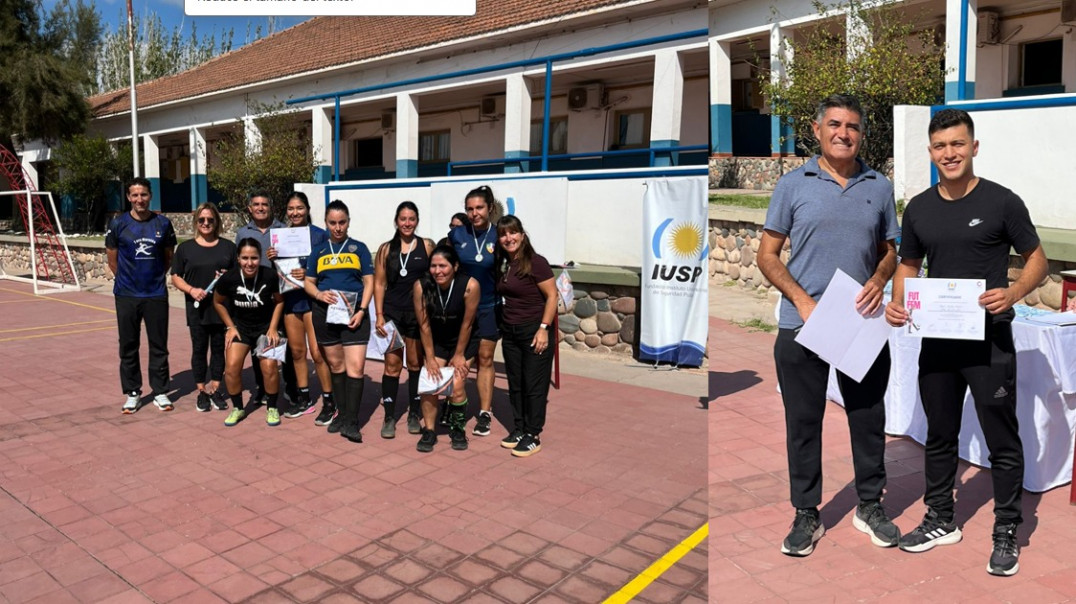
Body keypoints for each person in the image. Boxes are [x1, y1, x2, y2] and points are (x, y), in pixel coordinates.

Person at [884, 108, 1046, 576]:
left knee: (1002, 439)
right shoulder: (918, 207)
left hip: (989, 341)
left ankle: (1007, 530)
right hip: (937, 339)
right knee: (939, 435)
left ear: (974, 147)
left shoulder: (1002, 202)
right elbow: (909, 266)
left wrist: (1014, 292)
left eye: (958, 144)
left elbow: (1036, 259)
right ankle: (940, 519)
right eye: (940, 146)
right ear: (931, 152)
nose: (949, 153)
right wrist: (899, 303)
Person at [757, 94, 900, 556]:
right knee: (803, 422)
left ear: (862, 134)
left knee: (868, 417)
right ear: (817, 130)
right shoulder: (792, 184)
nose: (844, 133)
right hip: (802, 326)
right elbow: (767, 255)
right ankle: (806, 513)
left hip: (860, 322)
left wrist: (880, 279)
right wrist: (801, 300)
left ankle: (870, 506)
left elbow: (890, 251)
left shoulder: (879, 186)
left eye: (853, 126)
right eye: (835, 124)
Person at [304, 200, 374, 443]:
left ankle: (352, 423)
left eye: (342, 222)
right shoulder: (319, 252)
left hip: (354, 314)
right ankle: (342, 415)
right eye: (332, 223)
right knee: (336, 367)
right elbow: (308, 282)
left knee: (356, 368)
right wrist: (318, 294)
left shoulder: (359, 248)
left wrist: (363, 310)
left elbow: (369, 282)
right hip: (325, 314)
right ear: (326, 223)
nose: (337, 227)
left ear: (348, 222)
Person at [106, 177, 177, 413]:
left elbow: (168, 258)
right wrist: (128, 281)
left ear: (150, 196)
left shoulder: (163, 224)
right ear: (128, 197)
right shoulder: (118, 224)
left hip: (155, 293)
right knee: (128, 345)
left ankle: (160, 391)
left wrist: (154, 278)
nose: (139, 199)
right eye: (135, 195)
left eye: (143, 195)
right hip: (126, 294)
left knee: (159, 345)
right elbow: (112, 259)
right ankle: (133, 392)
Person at [266, 191, 335, 424]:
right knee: (297, 352)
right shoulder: (281, 236)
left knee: (317, 353)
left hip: (313, 301)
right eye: (291, 208)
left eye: (299, 208)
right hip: (291, 300)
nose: (295, 213)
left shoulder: (320, 236)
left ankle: (329, 401)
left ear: (307, 209)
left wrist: (309, 274)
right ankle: (304, 398)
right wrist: (273, 257)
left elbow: (329, 267)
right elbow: (279, 271)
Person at [494, 216, 557, 458]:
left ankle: (533, 434)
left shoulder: (536, 262)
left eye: (513, 233)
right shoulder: (504, 263)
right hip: (510, 332)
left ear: (522, 234)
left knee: (534, 386)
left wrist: (543, 328)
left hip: (534, 331)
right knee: (516, 383)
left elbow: (552, 297)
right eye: (503, 234)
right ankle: (519, 429)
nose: (508, 238)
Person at [373, 201, 434, 438]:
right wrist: (379, 315)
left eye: (411, 219)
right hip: (392, 315)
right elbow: (379, 283)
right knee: (392, 366)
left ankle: (413, 414)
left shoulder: (427, 246)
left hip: (418, 316)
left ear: (417, 221)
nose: (407, 223)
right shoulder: (386, 249)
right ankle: (389, 417)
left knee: (416, 365)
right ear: (396, 221)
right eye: (403, 219)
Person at [412, 244, 480, 452]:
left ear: (455, 266)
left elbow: (467, 324)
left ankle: (457, 429)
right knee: (430, 383)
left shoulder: (470, 285)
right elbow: (423, 325)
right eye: (433, 266)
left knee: (457, 384)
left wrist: (459, 354)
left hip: (463, 339)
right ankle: (430, 430)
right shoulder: (421, 286)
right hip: (436, 340)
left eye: (443, 266)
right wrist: (430, 358)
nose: (438, 271)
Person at [170, 202, 236, 412]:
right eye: (202, 220)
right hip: (197, 309)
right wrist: (191, 290)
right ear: (196, 222)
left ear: (217, 221)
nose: (206, 223)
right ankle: (201, 391)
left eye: (210, 220)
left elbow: (236, 277)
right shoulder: (185, 248)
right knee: (199, 349)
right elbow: (175, 277)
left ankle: (216, 388)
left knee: (218, 349)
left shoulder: (228, 247)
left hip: (221, 309)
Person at [213, 238, 285, 426]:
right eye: (245, 258)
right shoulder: (229, 278)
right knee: (232, 367)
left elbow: (280, 301)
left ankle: (272, 407)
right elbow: (217, 302)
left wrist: (273, 328)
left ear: (260, 258)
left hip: (264, 328)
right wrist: (230, 326)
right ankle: (238, 408)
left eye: (254, 258)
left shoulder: (269, 275)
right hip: (241, 328)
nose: (249, 263)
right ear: (238, 258)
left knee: (269, 367)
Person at [448, 185, 500, 437]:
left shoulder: (500, 235)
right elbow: (445, 265)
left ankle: (485, 413)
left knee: (486, 360)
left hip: (489, 308)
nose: (474, 213)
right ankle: (454, 406)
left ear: (490, 208)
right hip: (461, 310)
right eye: (469, 208)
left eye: (479, 208)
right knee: (457, 358)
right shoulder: (457, 234)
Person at [236, 191, 296, 406]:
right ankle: (261, 387)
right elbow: (240, 264)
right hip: (255, 298)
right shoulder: (242, 232)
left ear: (271, 208)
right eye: (256, 204)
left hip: (280, 294)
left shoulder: (283, 230)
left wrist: (279, 256)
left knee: (283, 342)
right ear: (250, 208)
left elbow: (294, 261)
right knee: (257, 346)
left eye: (264, 204)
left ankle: (289, 387)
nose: (260, 208)